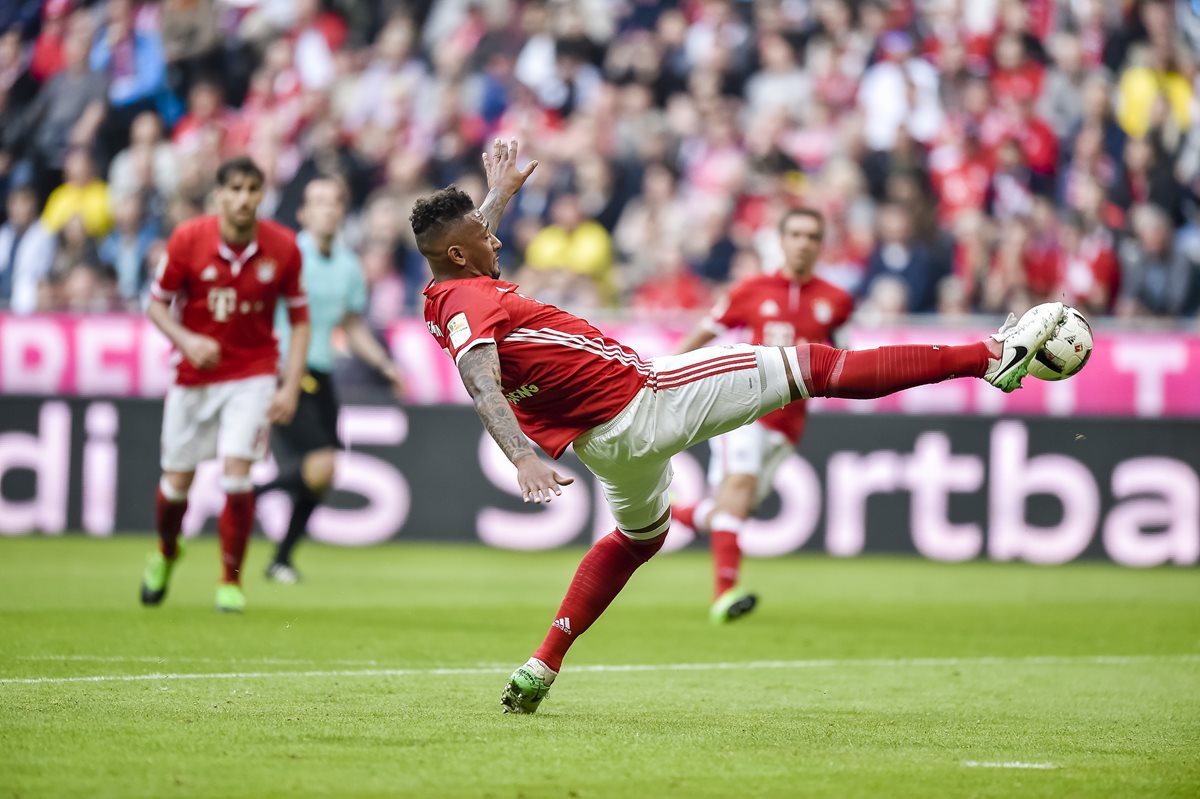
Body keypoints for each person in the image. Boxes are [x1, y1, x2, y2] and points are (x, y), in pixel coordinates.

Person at [412, 138, 1064, 715]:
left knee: (639, 538)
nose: (498, 239)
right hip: (648, 398)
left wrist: (497, 195)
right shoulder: (470, 298)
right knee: (819, 366)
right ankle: (990, 357)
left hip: (601, 443)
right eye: (486, 234)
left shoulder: (446, 293)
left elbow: (469, 254)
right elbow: (480, 380)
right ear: (462, 252)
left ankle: (543, 663)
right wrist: (521, 455)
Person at [140, 156, 310, 613]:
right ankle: (166, 551)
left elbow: (300, 320)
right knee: (177, 483)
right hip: (193, 376)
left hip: (252, 374)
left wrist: (290, 386)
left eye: (252, 190)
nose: (243, 199)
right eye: (234, 189)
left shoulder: (283, 246)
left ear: (262, 195)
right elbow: (155, 305)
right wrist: (186, 339)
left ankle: (230, 581)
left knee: (238, 474)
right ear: (219, 195)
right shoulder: (187, 239)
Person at [671, 208, 854, 624]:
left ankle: (672, 512)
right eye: (796, 234)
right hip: (744, 407)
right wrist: (661, 372)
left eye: (812, 236)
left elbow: (845, 357)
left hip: (790, 423)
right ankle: (725, 595)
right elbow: (707, 330)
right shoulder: (752, 289)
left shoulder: (837, 300)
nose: (803, 243)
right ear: (782, 240)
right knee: (740, 486)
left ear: (820, 245)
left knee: (731, 511)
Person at [256, 175, 405, 584]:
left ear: (342, 211)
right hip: (284, 371)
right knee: (320, 465)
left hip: (320, 373)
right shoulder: (286, 255)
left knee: (323, 476)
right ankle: (247, 498)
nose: (327, 208)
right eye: (318, 201)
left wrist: (385, 364)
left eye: (333, 201)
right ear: (303, 213)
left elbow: (351, 324)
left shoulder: (348, 266)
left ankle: (280, 558)